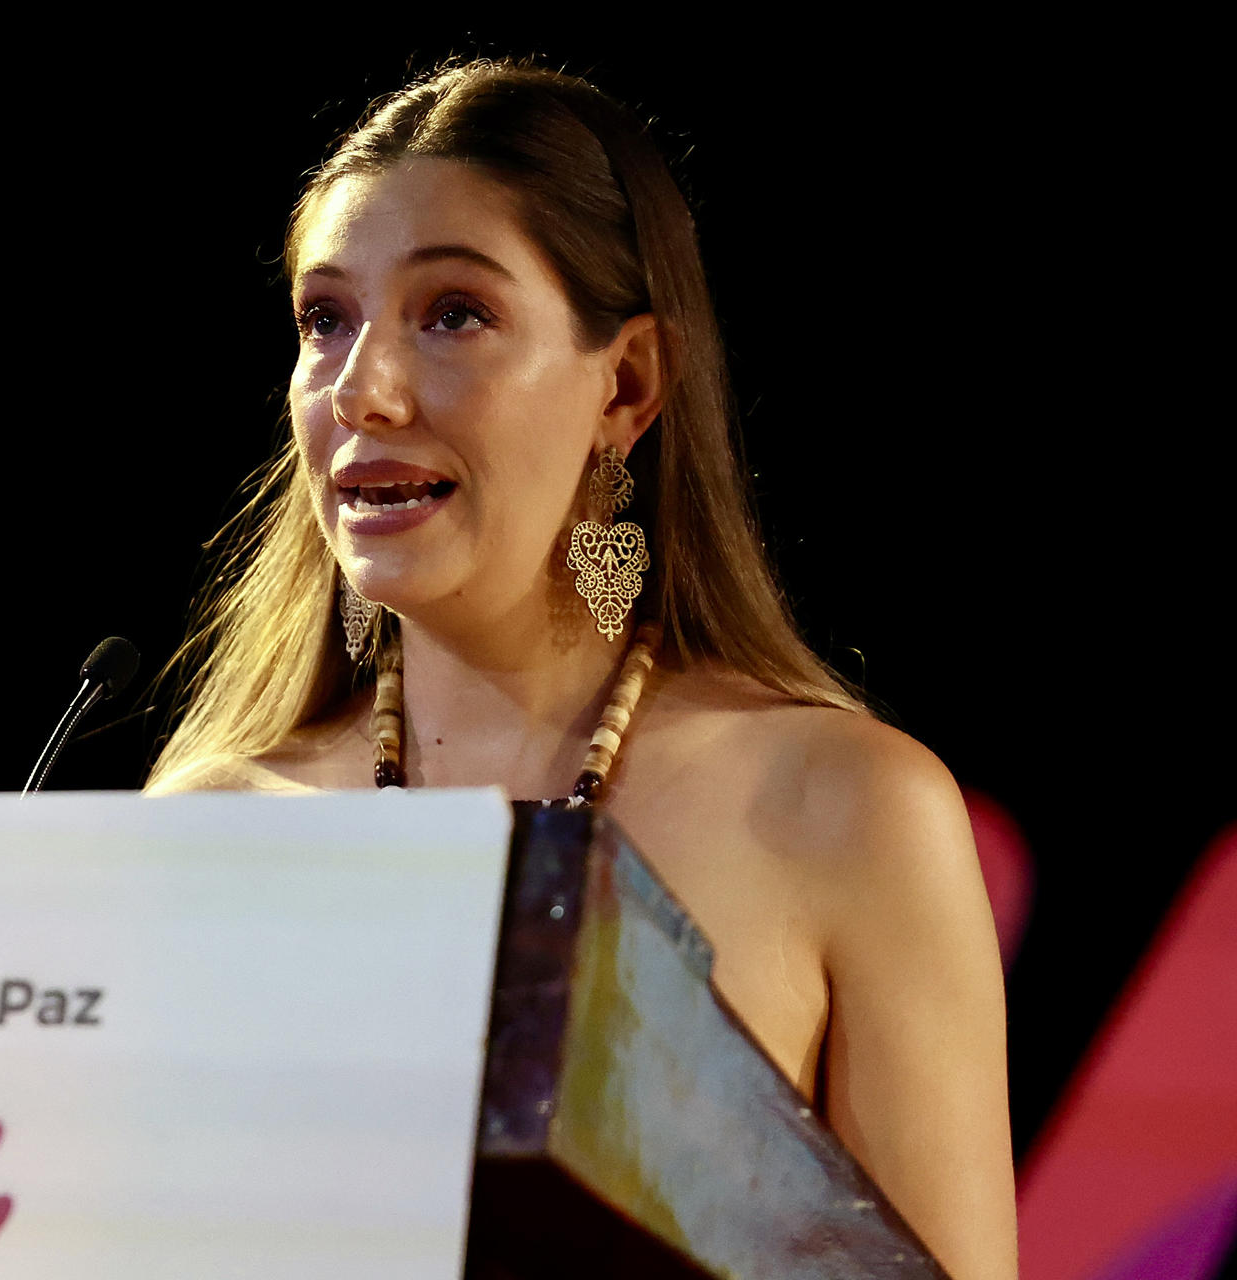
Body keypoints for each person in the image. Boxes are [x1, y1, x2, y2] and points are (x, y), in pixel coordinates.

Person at [144, 57, 1014, 1278]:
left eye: (452, 313)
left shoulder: (845, 808)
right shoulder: (209, 828)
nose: (362, 389)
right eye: (324, 319)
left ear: (628, 383)